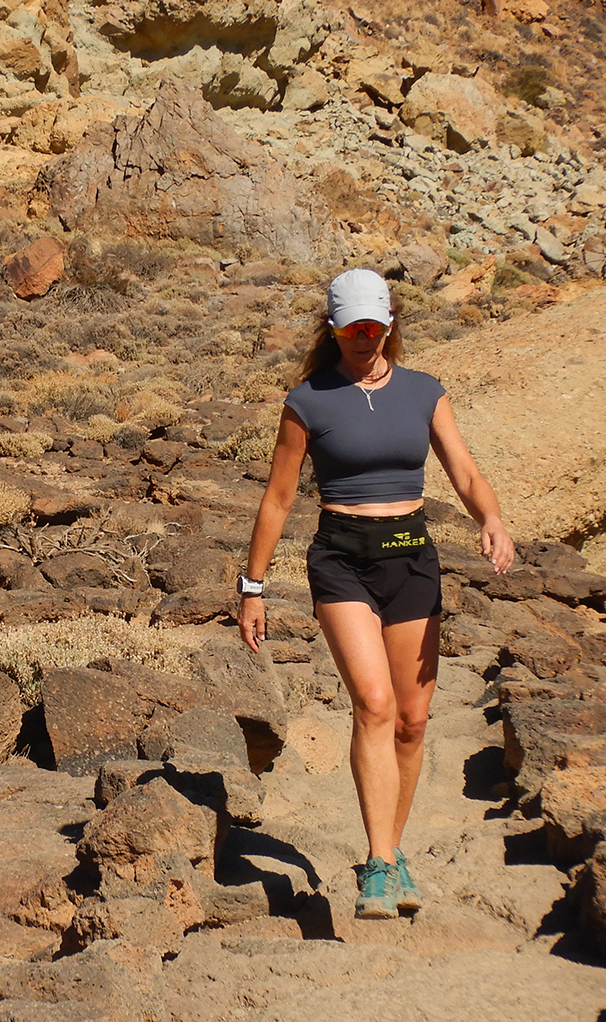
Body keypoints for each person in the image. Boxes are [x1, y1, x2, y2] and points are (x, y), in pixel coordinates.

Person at [237, 268, 515, 920]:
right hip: (342, 561)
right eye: (351, 329)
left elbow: (464, 470)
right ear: (333, 329)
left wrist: (492, 518)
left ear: (389, 325)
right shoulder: (308, 401)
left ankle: (391, 850)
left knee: (413, 722)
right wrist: (253, 587)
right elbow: (278, 498)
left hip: (411, 560)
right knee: (374, 703)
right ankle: (381, 864)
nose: (363, 338)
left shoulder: (424, 392)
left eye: (373, 327)